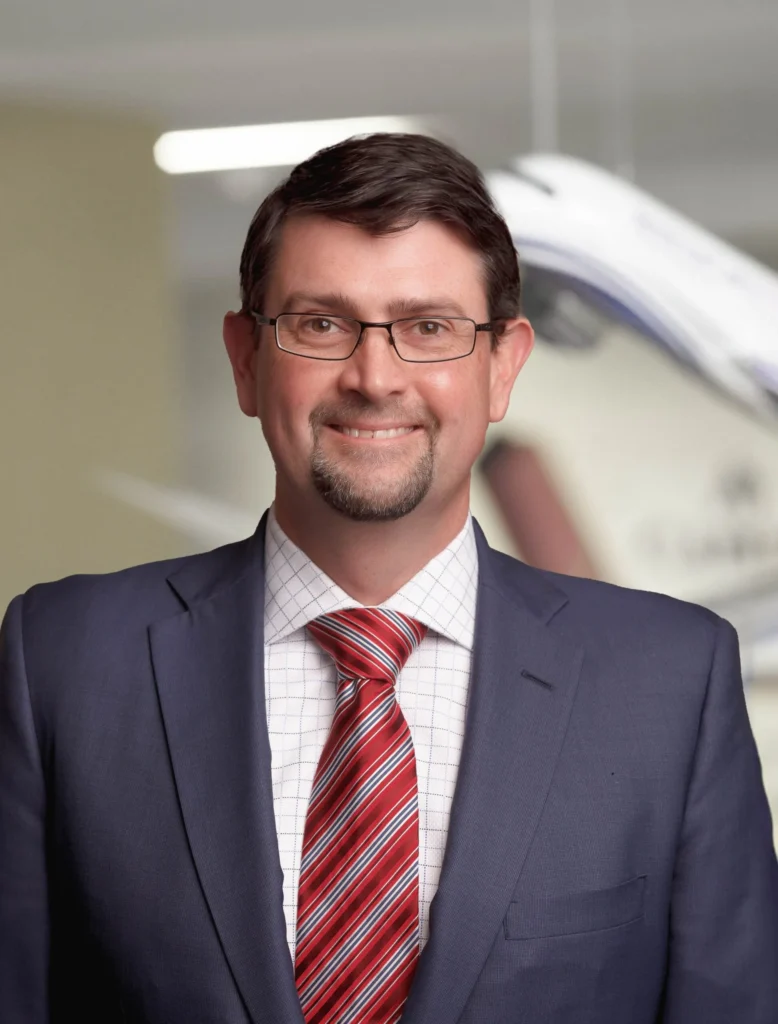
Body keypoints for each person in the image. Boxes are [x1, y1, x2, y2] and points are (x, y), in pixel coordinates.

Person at [1, 132, 776, 1024]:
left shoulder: (669, 682)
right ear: (247, 360)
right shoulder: (63, 661)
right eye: (321, 323)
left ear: (503, 366)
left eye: (429, 329)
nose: (375, 378)